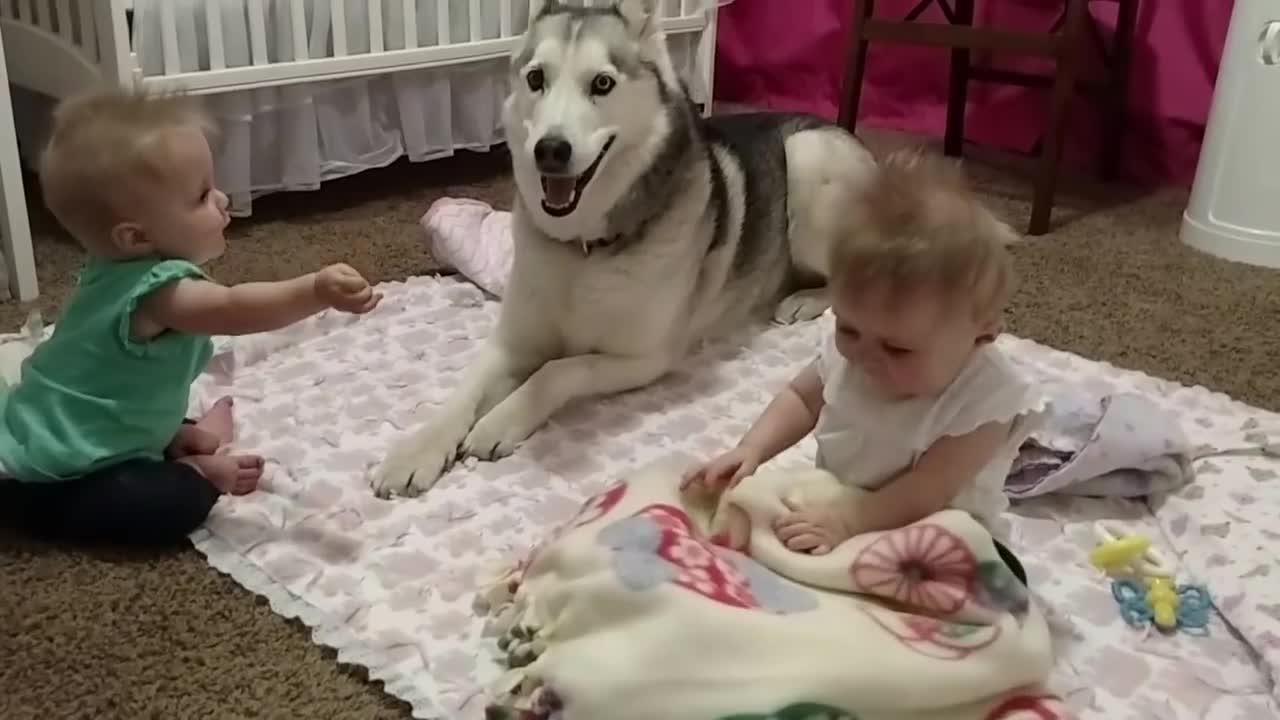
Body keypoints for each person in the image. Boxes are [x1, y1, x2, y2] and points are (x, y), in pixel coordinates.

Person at [0, 88, 382, 546]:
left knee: (131, 413)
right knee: (161, 506)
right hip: (58, 471)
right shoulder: (160, 294)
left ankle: (172, 437)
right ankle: (194, 468)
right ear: (135, 237)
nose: (221, 199)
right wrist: (314, 290)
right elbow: (234, 308)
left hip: (66, 422)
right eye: (201, 195)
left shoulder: (110, 269)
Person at [681, 148, 1045, 582]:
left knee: (980, 582)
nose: (865, 357)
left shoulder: (984, 399)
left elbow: (930, 489)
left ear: (981, 335)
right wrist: (751, 449)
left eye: (897, 349)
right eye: (849, 329)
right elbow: (800, 396)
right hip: (837, 502)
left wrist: (854, 521)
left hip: (935, 530)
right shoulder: (856, 348)